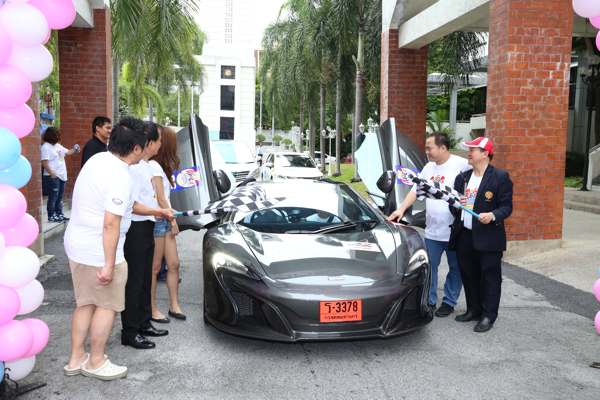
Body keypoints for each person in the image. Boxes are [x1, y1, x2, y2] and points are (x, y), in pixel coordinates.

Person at [63, 117, 173, 381]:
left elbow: (128, 206)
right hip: (98, 251)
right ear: (136, 148)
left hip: (77, 245)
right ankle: (96, 361)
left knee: (85, 304)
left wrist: (159, 211)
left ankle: (76, 358)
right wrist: (110, 264)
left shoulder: (98, 160)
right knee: (107, 306)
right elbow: (111, 223)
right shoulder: (121, 175)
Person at [388, 133, 469, 317]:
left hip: (455, 231)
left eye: (429, 147)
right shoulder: (428, 167)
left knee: (456, 268)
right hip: (432, 230)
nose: (426, 151)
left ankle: (449, 302)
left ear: (442, 148)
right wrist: (401, 209)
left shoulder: (462, 165)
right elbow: (415, 190)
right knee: (430, 268)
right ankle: (430, 300)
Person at [448, 136, 513, 333]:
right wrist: (456, 204)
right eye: (469, 149)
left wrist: (492, 215)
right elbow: (455, 208)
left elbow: (506, 207)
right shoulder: (463, 178)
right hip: (465, 236)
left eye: (473, 150)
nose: (469, 153)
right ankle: (473, 310)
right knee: (469, 275)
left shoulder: (500, 177)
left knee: (490, 278)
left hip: (489, 237)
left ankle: (488, 315)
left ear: (485, 154)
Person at [121, 122, 170, 349]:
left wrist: (160, 212)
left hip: (148, 225)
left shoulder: (147, 166)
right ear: (148, 143)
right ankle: (130, 332)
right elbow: (132, 205)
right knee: (134, 281)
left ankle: (143, 322)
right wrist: (160, 212)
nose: (160, 144)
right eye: (158, 140)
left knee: (144, 279)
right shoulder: (132, 168)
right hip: (135, 228)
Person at [149, 126, 186, 323]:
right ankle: (152, 308)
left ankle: (174, 305)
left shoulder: (161, 167)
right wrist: (173, 221)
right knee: (155, 268)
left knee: (173, 264)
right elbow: (161, 198)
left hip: (164, 219)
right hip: (159, 220)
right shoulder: (154, 166)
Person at [41, 127, 79, 222]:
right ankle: (51, 215)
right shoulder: (45, 147)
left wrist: (75, 149)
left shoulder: (57, 146)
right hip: (52, 176)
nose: (59, 137)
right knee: (53, 197)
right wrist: (51, 173)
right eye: (57, 135)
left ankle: (59, 214)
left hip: (62, 176)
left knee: (59, 197)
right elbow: (44, 162)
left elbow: (68, 152)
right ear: (51, 136)